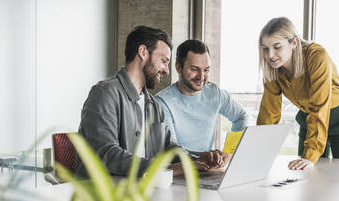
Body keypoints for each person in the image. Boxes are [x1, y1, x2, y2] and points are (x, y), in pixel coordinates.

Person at [75, 26, 227, 178]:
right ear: (143, 52)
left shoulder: (153, 106)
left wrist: (199, 160)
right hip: (105, 196)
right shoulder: (105, 94)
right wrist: (166, 169)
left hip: (142, 194)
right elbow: (106, 153)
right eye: (163, 61)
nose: (166, 71)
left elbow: (169, 148)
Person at [257, 17, 339, 170]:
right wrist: (258, 151)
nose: (270, 55)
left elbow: (319, 105)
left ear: (294, 42)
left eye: (277, 47)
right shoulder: (273, 68)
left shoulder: (316, 55)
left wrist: (311, 155)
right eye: (265, 48)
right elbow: (269, 112)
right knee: (305, 176)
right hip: (310, 119)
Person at [155, 39, 249, 153]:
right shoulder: (162, 102)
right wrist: (205, 160)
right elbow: (173, 150)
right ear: (178, 67)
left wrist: (229, 152)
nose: (201, 76)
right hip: (180, 168)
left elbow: (241, 116)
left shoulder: (215, 93)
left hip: (209, 168)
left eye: (206, 70)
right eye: (194, 69)